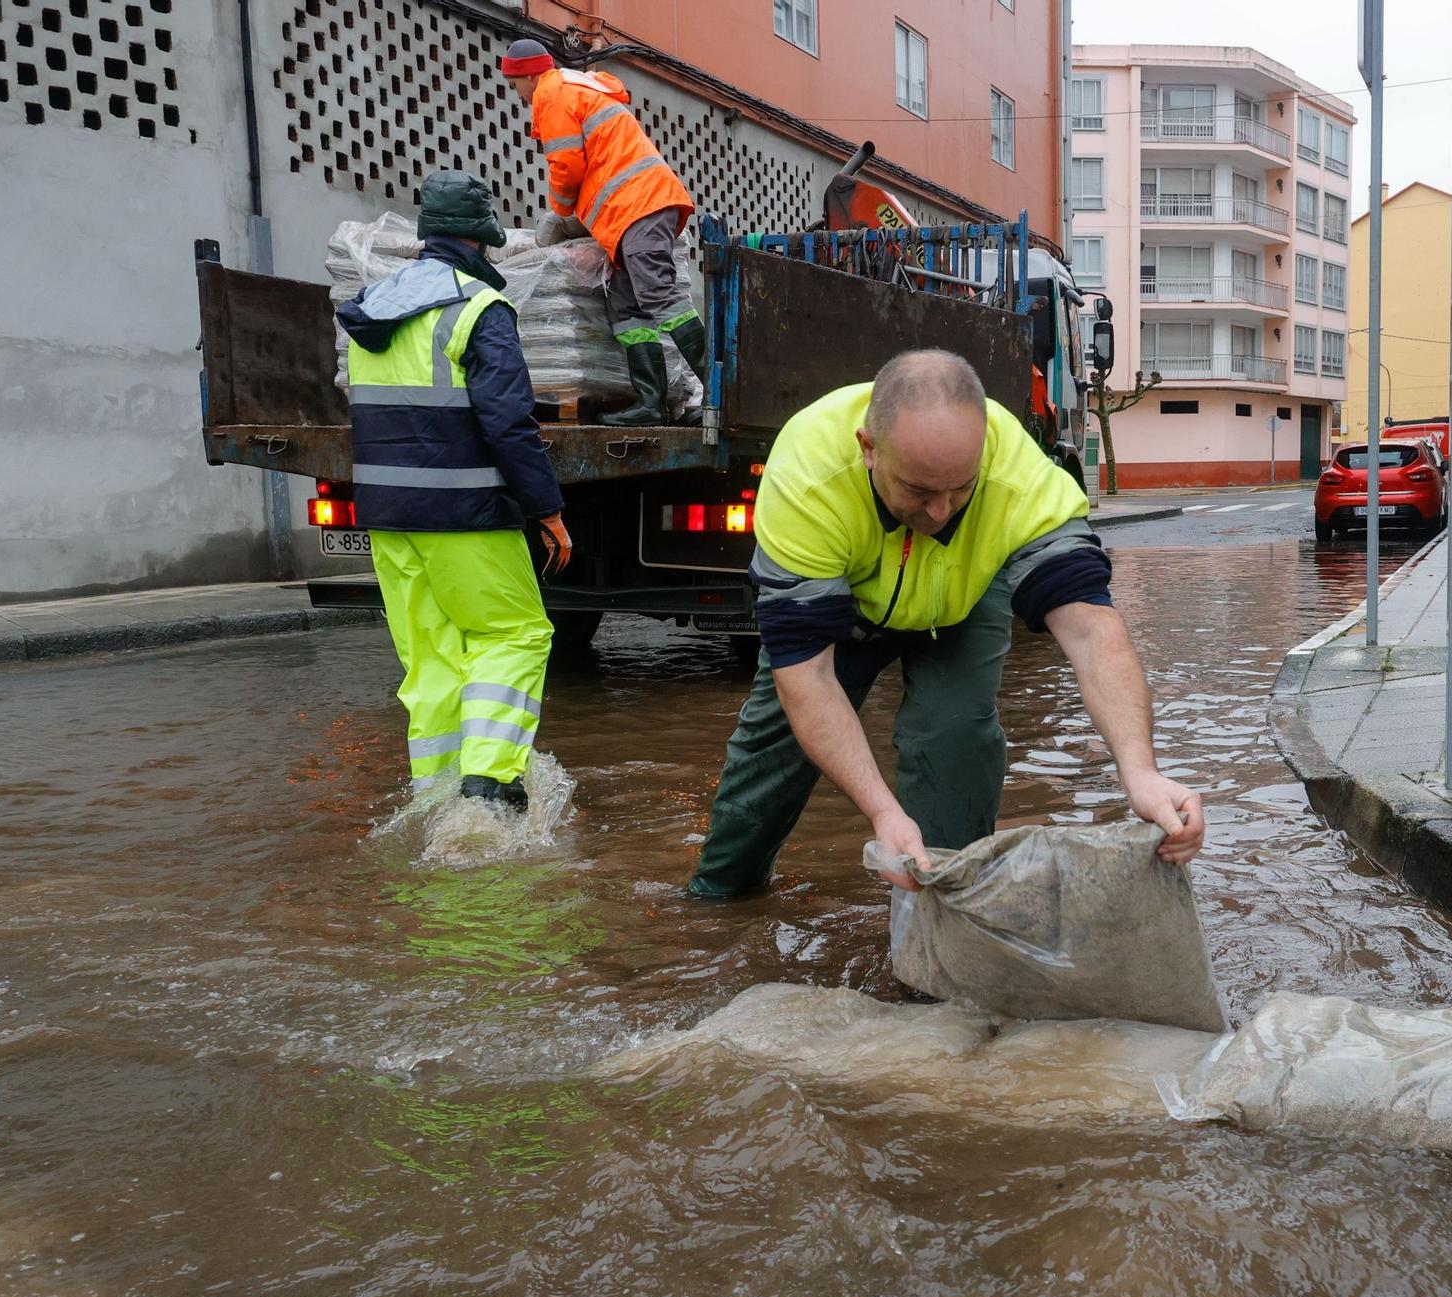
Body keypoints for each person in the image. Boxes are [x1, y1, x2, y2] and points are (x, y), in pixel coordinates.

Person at [686, 349, 1204, 899]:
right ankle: (718, 900)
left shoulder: (1019, 476)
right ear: (868, 448)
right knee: (775, 747)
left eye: (961, 489)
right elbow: (806, 677)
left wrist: (1139, 771)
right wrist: (883, 813)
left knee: (955, 735)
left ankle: (947, 913)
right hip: (849, 608)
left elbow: (1091, 629)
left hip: (964, 602)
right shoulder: (809, 475)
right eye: (918, 491)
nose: (940, 513)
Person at [336, 169, 573, 811]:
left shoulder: (373, 309)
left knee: (430, 658)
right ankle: (491, 786)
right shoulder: (479, 309)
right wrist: (547, 509)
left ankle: (435, 793)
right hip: (464, 511)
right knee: (515, 635)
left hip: (387, 514)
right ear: (480, 240)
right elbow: (509, 423)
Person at [499, 38, 706, 427]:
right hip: (629, 213)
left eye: (515, 86)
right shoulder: (575, 88)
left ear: (527, 75)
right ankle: (650, 404)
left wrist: (558, 215)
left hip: (639, 205)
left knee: (658, 294)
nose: (519, 95)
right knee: (626, 309)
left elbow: (567, 165)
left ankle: (722, 393)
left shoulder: (552, 93)